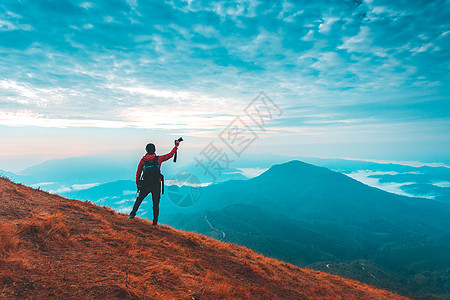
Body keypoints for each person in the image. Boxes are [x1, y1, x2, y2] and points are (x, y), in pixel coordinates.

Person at [129, 140, 179, 224]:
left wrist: (138, 185)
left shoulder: (143, 160)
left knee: (139, 199)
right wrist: (176, 146)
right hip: (156, 185)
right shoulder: (158, 159)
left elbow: (138, 173)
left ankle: (132, 214)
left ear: (146, 150)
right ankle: (155, 222)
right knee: (155, 204)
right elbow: (170, 155)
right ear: (154, 150)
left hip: (145, 184)